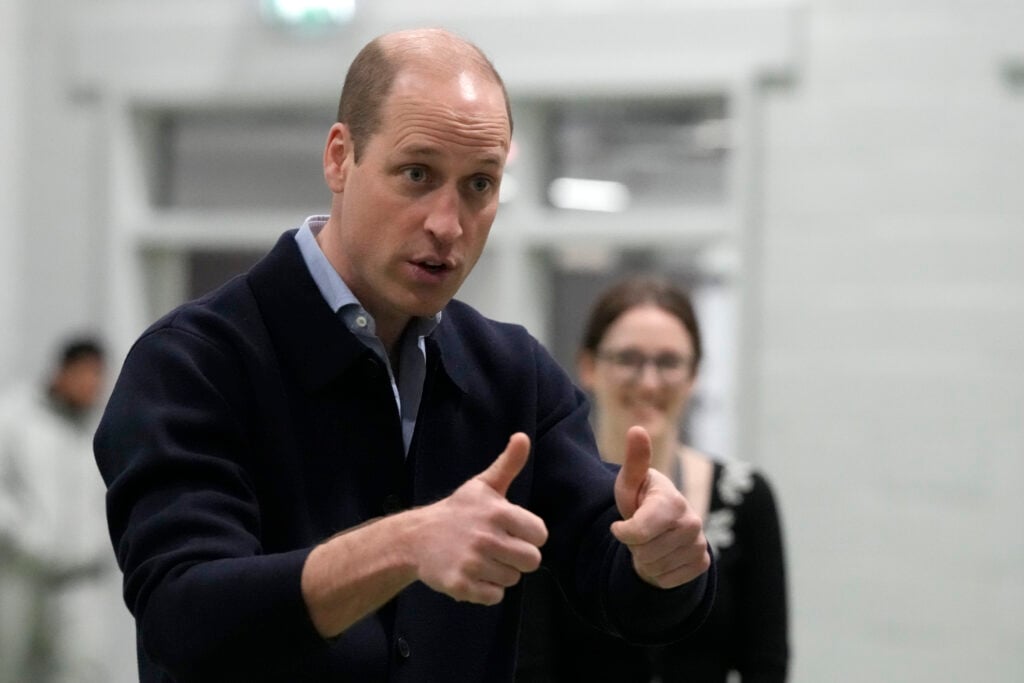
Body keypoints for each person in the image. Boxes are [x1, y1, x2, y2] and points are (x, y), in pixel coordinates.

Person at [92, 28, 716, 682]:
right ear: (340, 157)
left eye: (480, 184)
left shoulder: (512, 373)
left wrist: (665, 558)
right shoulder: (193, 364)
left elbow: (613, 576)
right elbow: (184, 617)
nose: (447, 224)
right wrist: (407, 543)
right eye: (417, 174)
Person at [518, 276, 789, 682]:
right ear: (588, 366)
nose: (648, 382)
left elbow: (765, 664)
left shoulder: (745, 496)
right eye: (628, 359)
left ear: (694, 374)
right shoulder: (546, 495)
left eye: (668, 362)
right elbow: (529, 664)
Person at [0, 336, 136, 683]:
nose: (92, 386)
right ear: (63, 371)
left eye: (98, 378)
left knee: (81, 671)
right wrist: (25, 537)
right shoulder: (15, 418)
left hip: (80, 583)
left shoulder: (102, 428)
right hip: (20, 576)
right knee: (9, 668)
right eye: (85, 375)